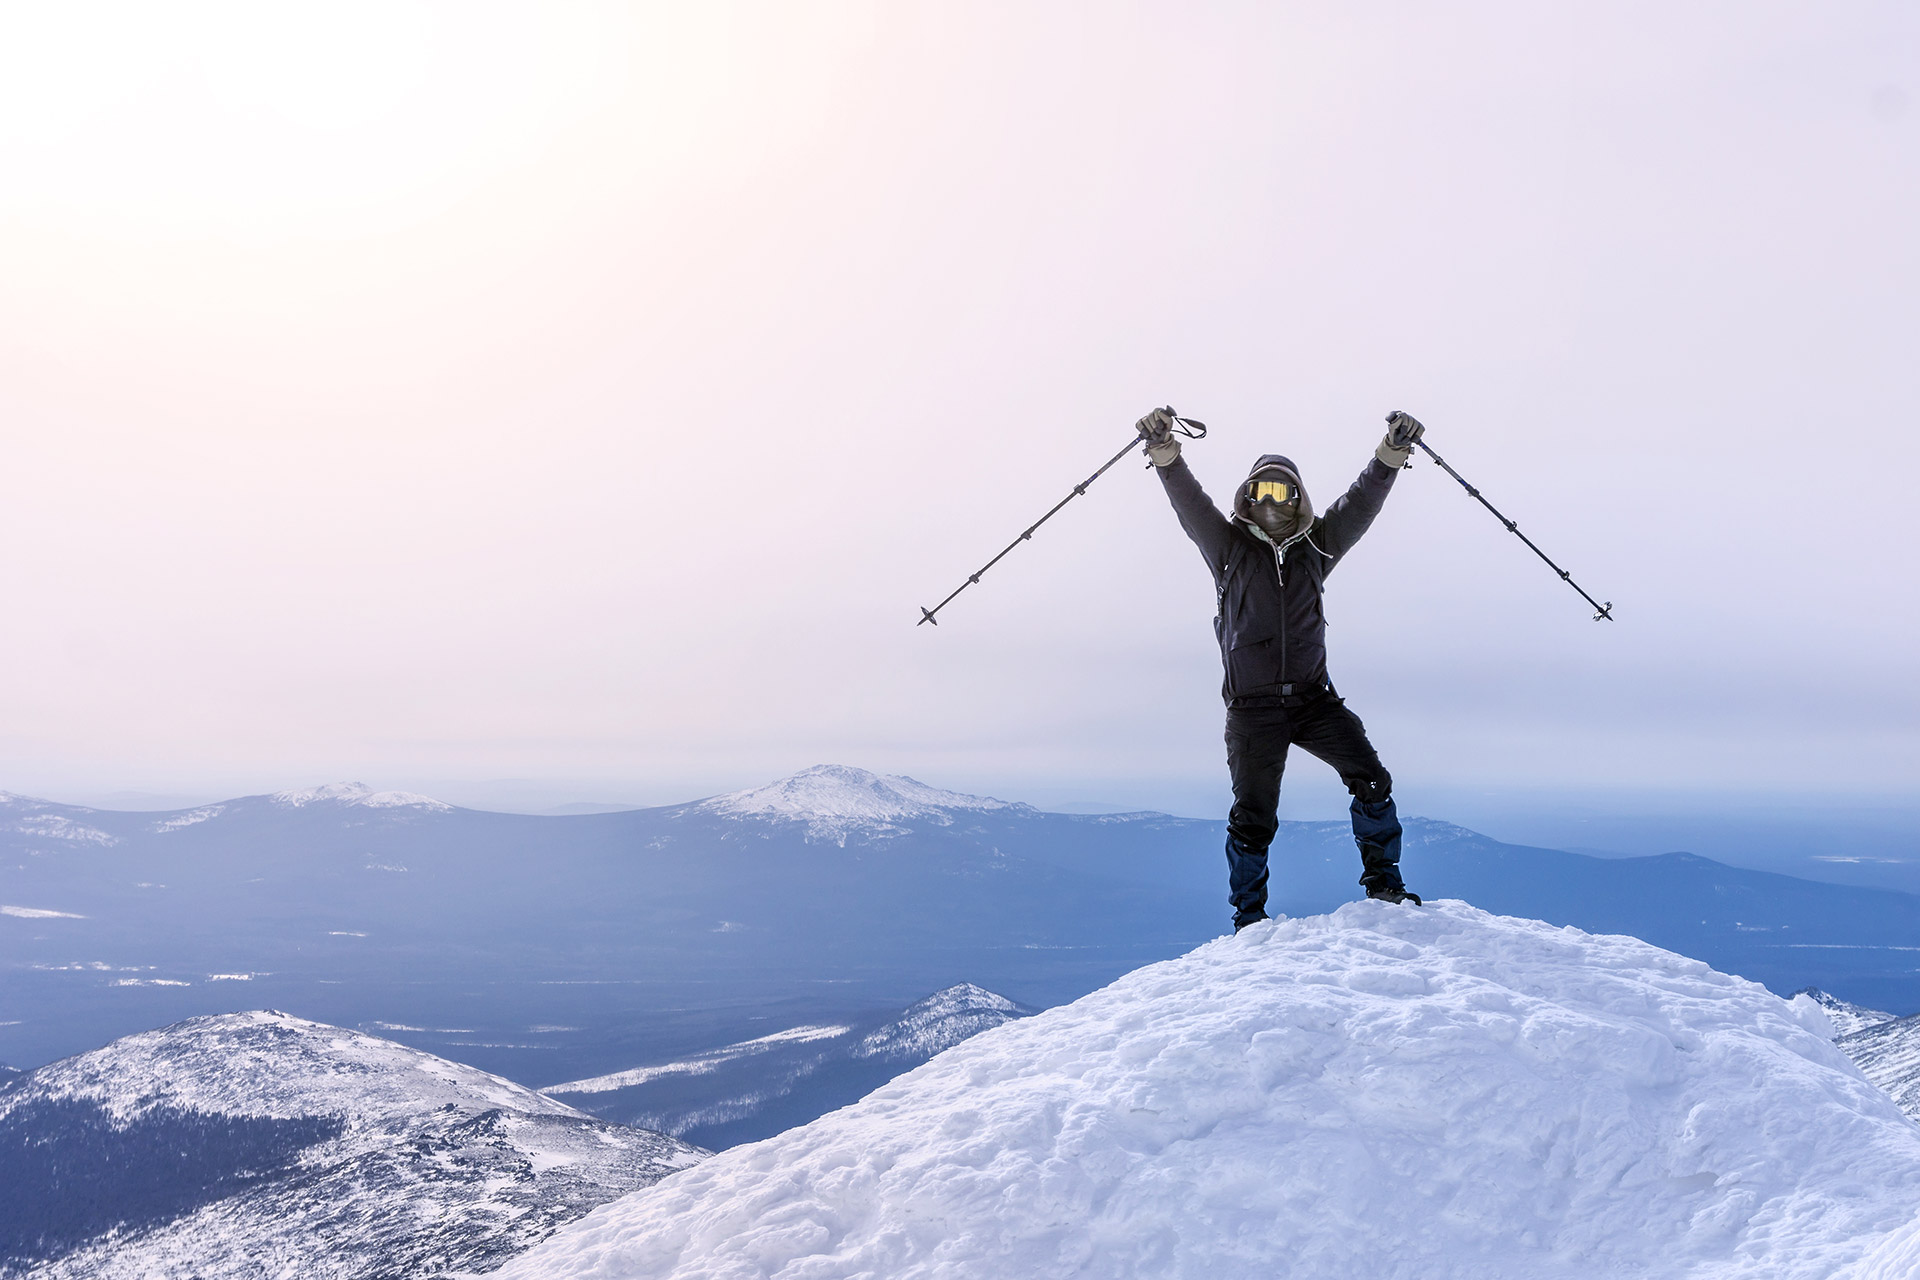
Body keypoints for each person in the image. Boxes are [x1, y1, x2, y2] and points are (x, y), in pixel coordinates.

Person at [1136, 407, 1427, 931]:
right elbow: (1190, 503)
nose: (1272, 501)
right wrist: (1164, 452)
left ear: (1298, 500)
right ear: (1247, 498)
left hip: (1315, 700)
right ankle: (1249, 921)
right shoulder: (1226, 548)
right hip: (1253, 708)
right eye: (1262, 491)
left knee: (1372, 778)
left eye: (1283, 491)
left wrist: (1392, 452)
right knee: (1254, 816)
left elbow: (1360, 504)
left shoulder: (1317, 545)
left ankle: (1385, 887)